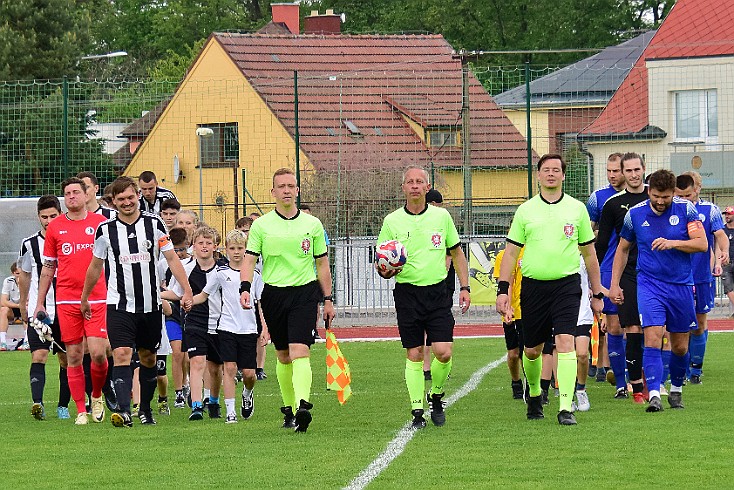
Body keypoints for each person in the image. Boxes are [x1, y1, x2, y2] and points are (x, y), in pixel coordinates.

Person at [496, 153, 604, 426]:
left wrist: (598, 291)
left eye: (557, 170)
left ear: (564, 176)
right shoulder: (526, 210)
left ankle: (565, 407)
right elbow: (510, 254)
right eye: (546, 170)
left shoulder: (577, 209)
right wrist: (503, 290)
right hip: (533, 287)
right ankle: (533, 393)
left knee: (566, 343)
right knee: (532, 350)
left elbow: (590, 255)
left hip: (567, 285)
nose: (552, 174)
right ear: (539, 175)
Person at [80, 176, 193, 428]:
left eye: (131, 197)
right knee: (121, 353)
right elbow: (95, 265)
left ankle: (145, 409)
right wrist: (85, 297)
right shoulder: (105, 230)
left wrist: (186, 291)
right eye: (121, 199)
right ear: (114, 202)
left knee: (149, 358)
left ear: (137, 196)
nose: (127, 202)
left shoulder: (155, 225)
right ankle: (123, 411)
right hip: (119, 304)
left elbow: (173, 259)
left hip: (151, 304)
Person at [239, 168, 335, 433]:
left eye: (290, 186)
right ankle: (290, 409)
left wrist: (327, 298)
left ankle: (303, 405)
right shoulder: (261, 225)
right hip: (273, 294)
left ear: (297, 190)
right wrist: (244, 287)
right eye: (280, 186)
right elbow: (249, 259)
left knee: (299, 350)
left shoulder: (312, 225)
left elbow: (322, 264)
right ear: (273, 192)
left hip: (304, 293)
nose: (286, 190)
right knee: (282, 356)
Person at [375, 166, 470, 429]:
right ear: (403, 188)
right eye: (410, 182)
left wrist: (465, 287)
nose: (415, 186)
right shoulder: (392, 221)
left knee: (443, 352)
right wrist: (386, 269)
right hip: (407, 294)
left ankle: (436, 394)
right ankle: (417, 410)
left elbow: (457, 253)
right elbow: (381, 262)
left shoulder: (442, 218)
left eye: (420, 182)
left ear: (427, 188)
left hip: (438, 292)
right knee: (414, 353)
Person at [610, 169, 707, 412]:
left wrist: (673, 242)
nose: (660, 201)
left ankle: (675, 389)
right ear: (648, 191)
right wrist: (614, 284)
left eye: (665, 197)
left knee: (679, 347)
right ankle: (653, 393)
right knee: (652, 336)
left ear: (673, 193)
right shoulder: (635, 215)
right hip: (649, 284)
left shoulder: (686, 210)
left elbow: (702, 244)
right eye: (655, 196)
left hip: (681, 285)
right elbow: (622, 249)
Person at [35, 177, 109, 426]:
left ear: (87, 194)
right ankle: (80, 410)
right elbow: (48, 267)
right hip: (66, 299)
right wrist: (39, 302)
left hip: (98, 297)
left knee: (98, 353)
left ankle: (96, 395)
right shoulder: (55, 227)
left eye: (76, 192)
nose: (72, 197)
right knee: (74, 355)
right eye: (67, 193)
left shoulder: (101, 223)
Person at [194, 230, 264, 423]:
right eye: (232, 248)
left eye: (240, 248)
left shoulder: (254, 275)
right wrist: (189, 301)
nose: (236, 252)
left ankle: (247, 393)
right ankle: (231, 412)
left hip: (248, 329)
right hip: (226, 327)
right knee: (230, 368)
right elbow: (204, 294)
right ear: (226, 249)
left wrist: (265, 328)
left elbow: (260, 303)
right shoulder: (220, 273)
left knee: (249, 374)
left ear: (246, 250)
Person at [595, 152, 649, 402]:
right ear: (623, 173)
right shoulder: (612, 204)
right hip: (622, 272)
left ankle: (651, 381)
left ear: (644, 169)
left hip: (654, 274)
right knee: (617, 326)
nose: (634, 175)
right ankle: (621, 383)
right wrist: (594, 279)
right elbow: (602, 244)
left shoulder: (657, 198)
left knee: (656, 330)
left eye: (637, 169)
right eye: (628, 171)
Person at [17, 195, 71, 419]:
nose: (49, 221)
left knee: (66, 360)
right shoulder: (29, 244)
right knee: (38, 355)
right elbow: (25, 276)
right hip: (40, 311)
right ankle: (37, 403)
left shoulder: (70, 239)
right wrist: (23, 304)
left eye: (53, 216)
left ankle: (63, 406)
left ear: (60, 214)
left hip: (66, 310)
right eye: (44, 217)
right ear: (38, 217)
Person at [674, 172, 729, 384]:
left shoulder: (710, 210)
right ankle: (680, 366)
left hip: (700, 276)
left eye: (688, 195)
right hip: (677, 277)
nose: (684, 200)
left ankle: (695, 370)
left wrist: (722, 253)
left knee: (699, 323)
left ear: (697, 189)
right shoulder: (672, 209)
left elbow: (720, 235)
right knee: (680, 325)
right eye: (681, 195)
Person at [164, 226, 223, 421]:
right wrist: (155, 294)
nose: (204, 246)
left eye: (208, 243)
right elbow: (175, 292)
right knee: (196, 362)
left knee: (215, 368)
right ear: (193, 246)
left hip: (219, 321)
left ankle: (213, 401)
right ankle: (196, 405)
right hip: (194, 320)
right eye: (200, 243)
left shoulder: (223, 269)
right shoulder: (186, 268)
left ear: (215, 246)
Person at [586, 152, 625, 382]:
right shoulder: (598, 197)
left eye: (616, 171)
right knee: (611, 323)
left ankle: (627, 370)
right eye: (608, 171)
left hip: (635, 268)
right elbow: (587, 232)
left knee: (633, 323)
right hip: (607, 267)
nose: (612, 175)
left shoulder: (641, 196)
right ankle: (609, 368)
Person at [159, 227, 191, 408]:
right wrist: (159, 295)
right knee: (177, 353)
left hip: (191, 315)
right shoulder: (164, 264)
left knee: (189, 357)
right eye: (175, 250)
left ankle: (188, 384)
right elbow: (170, 290)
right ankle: (179, 393)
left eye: (181, 249)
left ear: (188, 245)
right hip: (173, 314)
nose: (178, 254)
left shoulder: (194, 264)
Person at [236, 216, 270, 381]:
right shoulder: (238, 249)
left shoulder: (261, 249)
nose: (244, 233)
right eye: (241, 230)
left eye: (247, 230)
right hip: (243, 295)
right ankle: (240, 366)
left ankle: (259, 367)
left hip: (260, 293)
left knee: (259, 332)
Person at [492, 244, 525, 400]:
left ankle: (534, 386)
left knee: (531, 352)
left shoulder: (533, 251)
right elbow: (506, 283)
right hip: (511, 312)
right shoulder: (503, 256)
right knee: (513, 353)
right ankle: (516, 381)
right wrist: (508, 308)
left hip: (530, 311)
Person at [1, 262, 24, 350]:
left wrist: (21, 285)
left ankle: (26, 341)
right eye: (17, 273)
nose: (19, 276)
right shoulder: (8, 281)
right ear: (13, 273)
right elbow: (3, 301)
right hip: (14, 308)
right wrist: (18, 305)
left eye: (21, 273)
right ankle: (2, 342)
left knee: (28, 309)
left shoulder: (30, 280)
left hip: (24, 309)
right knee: (3, 310)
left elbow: (29, 300)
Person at [722, 207, 734, 315]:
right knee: (728, 287)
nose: (727, 216)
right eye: (726, 214)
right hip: (726, 262)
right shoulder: (722, 230)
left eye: (729, 214)